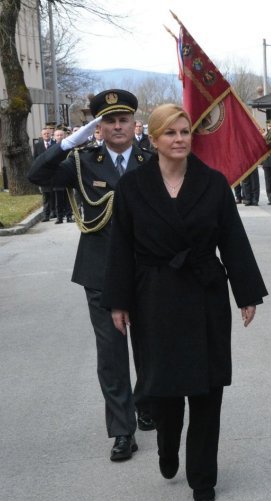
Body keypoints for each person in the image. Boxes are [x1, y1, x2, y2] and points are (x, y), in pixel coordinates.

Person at [102, 103, 267, 501]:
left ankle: (203, 477)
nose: (179, 140)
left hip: (204, 292)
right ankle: (167, 443)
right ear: (154, 139)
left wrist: (246, 293)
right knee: (164, 389)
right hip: (154, 297)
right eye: (170, 133)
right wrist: (118, 302)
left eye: (184, 132)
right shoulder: (133, 187)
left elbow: (232, 239)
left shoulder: (212, 183)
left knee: (208, 389)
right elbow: (120, 248)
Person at [28, 89, 154, 462]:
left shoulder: (152, 159)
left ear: (134, 123)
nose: (117, 126)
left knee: (150, 345)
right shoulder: (83, 162)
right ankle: (121, 430)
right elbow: (38, 175)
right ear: (98, 128)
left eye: (123, 120)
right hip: (100, 270)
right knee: (111, 353)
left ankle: (145, 402)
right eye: (108, 121)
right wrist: (68, 142)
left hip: (147, 269)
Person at [32, 127, 55, 221]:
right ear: (42, 135)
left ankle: (55, 212)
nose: (46, 135)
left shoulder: (55, 144)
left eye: (48, 133)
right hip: (43, 175)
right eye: (44, 134)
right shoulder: (38, 146)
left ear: (50, 134)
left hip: (54, 174)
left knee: (54, 194)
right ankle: (46, 215)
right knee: (45, 195)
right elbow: (35, 159)